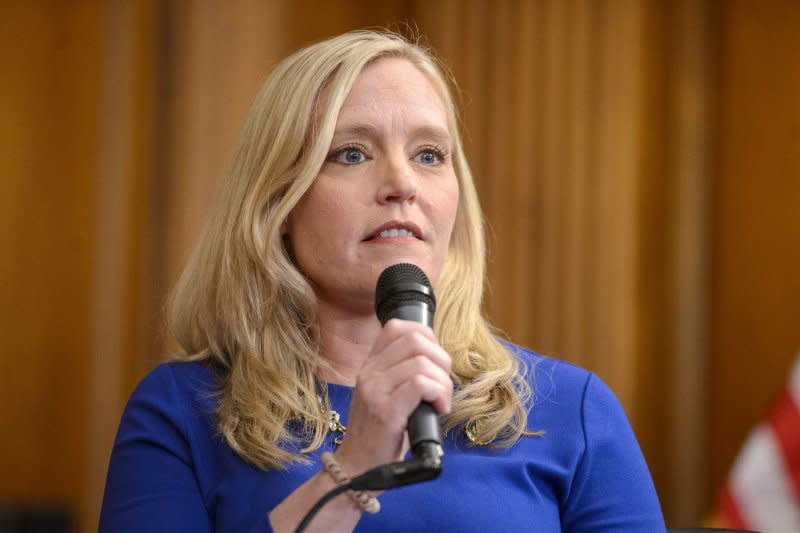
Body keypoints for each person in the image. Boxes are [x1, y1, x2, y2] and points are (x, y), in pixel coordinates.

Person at [99, 30, 665, 532]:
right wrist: (354, 470)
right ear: (276, 203)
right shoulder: (182, 413)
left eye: (428, 154)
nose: (402, 183)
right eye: (350, 153)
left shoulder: (572, 411)